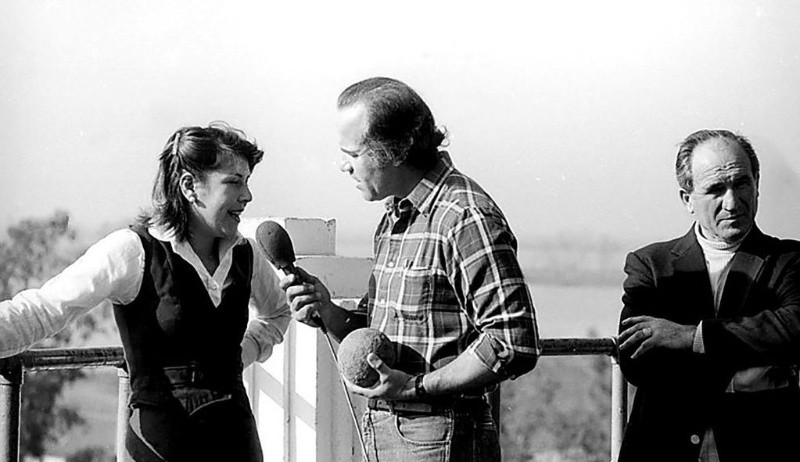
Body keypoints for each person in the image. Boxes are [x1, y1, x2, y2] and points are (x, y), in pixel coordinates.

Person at [281, 77, 540, 462]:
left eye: (353, 153)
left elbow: (514, 342)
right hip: (390, 431)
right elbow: (379, 332)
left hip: (441, 436)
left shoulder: (463, 217)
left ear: (397, 150)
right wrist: (327, 311)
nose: (344, 166)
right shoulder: (396, 216)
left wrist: (416, 387)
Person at [0, 122, 291, 461]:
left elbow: (277, 312)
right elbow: (45, 309)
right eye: (234, 181)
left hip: (236, 442)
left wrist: (244, 353)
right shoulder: (133, 250)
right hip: (161, 446)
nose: (247, 195)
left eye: (247, 181)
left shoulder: (246, 253)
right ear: (189, 186)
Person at [617, 129, 800, 461]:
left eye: (741, 183)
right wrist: (749, 371)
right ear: (687, 199)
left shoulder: (790, 261)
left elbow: (794, 328)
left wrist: (691, 337)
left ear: (757, 183)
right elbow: (636, 361)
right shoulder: (652, 265)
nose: (732, 202)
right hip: (663, 450)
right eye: (716, 189)